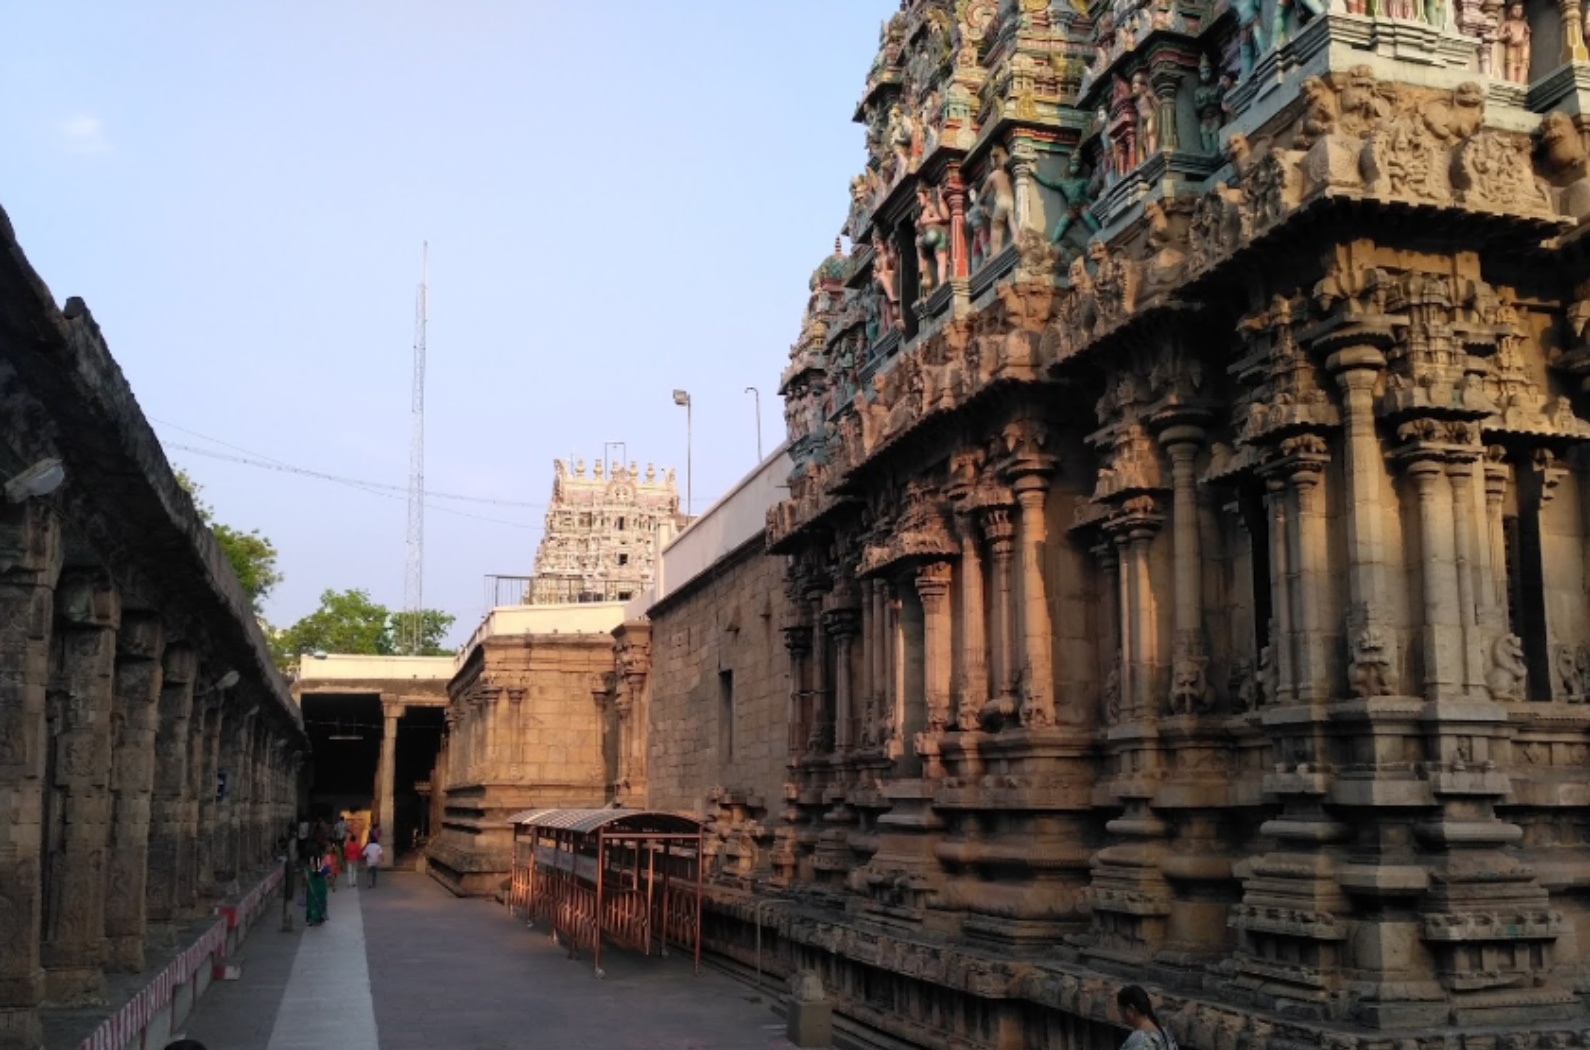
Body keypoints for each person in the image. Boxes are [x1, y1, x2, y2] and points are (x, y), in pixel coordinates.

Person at [1116, 985, 1177, 1050]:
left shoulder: (1138, 1040)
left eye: (1120, 1010)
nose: (1120, 1014)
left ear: (1130, 1009)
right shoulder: (1166, 1034)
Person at [303, 846, 330, 926]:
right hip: (321, 889)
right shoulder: (323, 867)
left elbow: (306, 879)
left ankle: (313, 919)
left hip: (312, 890)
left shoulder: (308, 868)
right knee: (321, 902)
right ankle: (320, 918)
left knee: (312, 904)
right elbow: (327, 877)